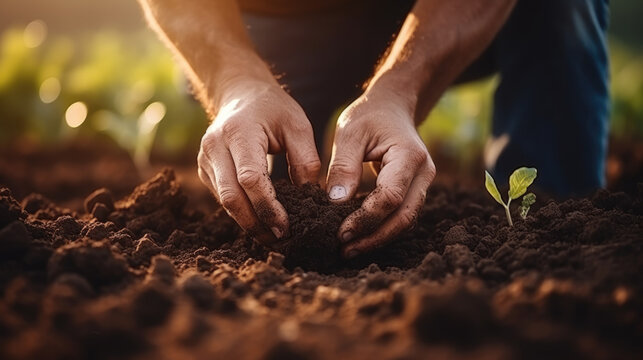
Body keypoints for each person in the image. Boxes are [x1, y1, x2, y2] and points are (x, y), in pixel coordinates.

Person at [138, 0, 610, 258]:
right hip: (277, 20)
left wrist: (402, 90)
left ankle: (550, 229)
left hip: (441, 11)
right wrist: (236, 82)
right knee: (271, 202)